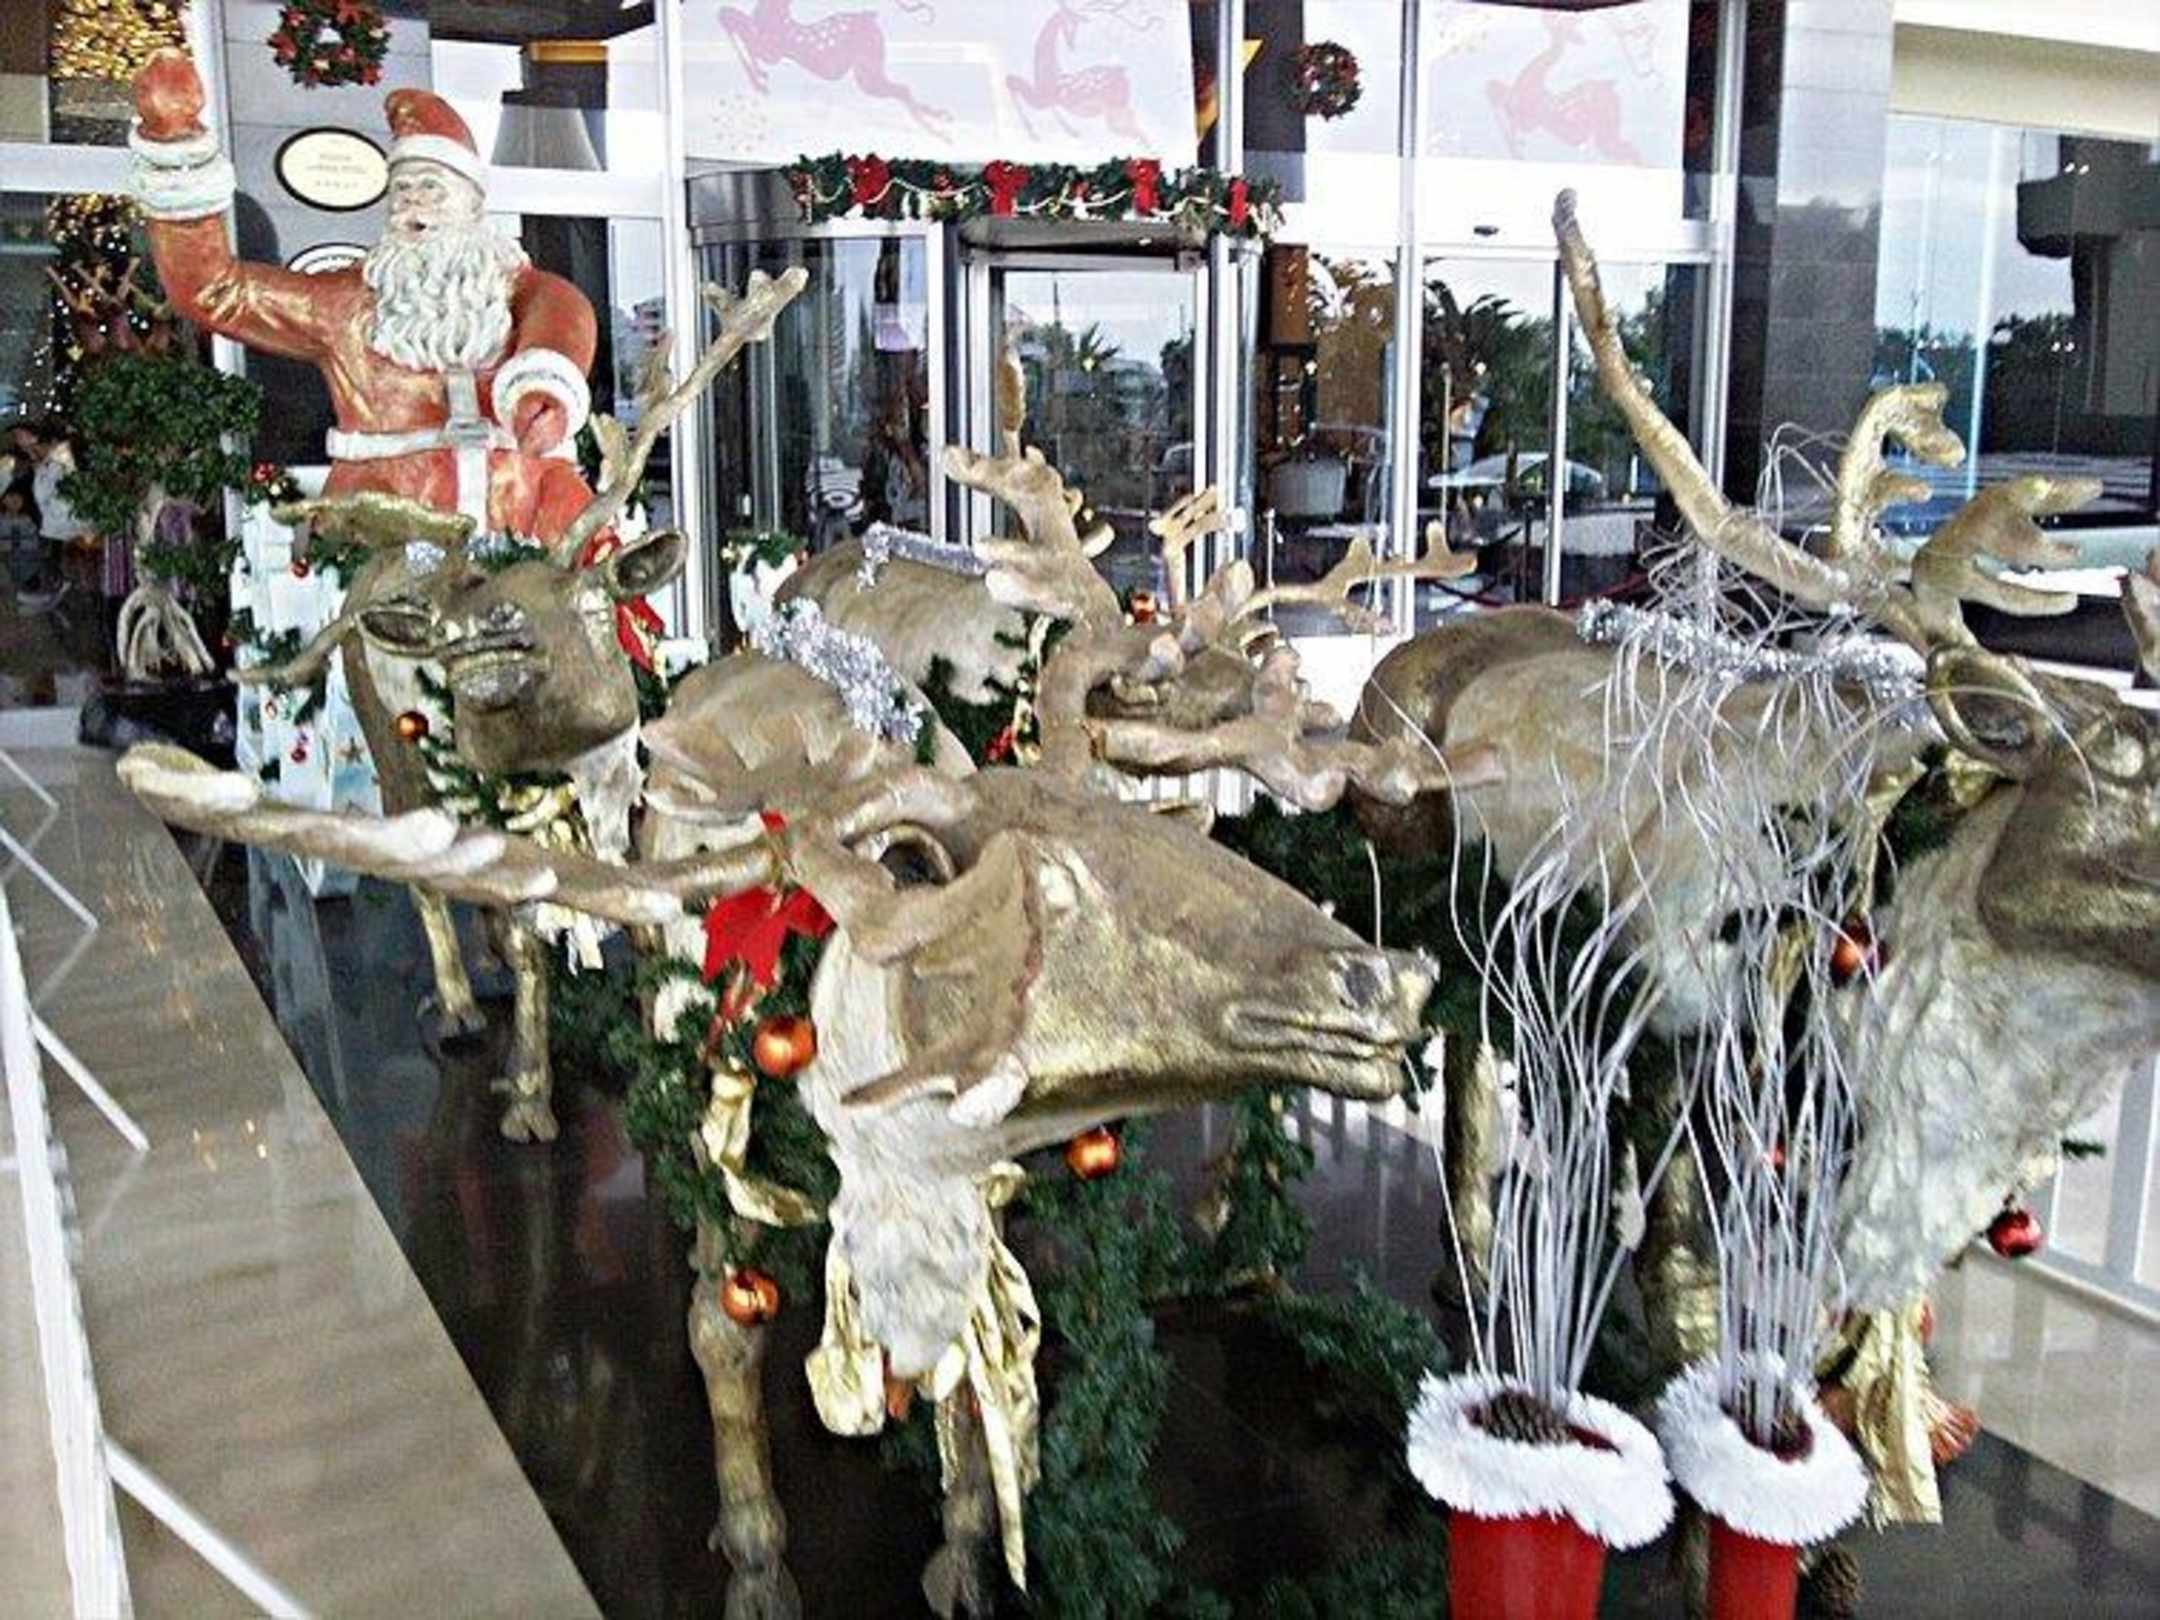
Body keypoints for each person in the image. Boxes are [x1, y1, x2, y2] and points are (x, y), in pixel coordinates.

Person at [127, 48, 602, 546]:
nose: (413, 201)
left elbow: (561, 321)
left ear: (473, 203)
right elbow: (216, 291)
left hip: (523, 533)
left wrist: (543, 391)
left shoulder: (518, 293)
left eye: (431, 187)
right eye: (402, 189)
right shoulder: (349, 306)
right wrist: (174, 145)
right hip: (384, 536)